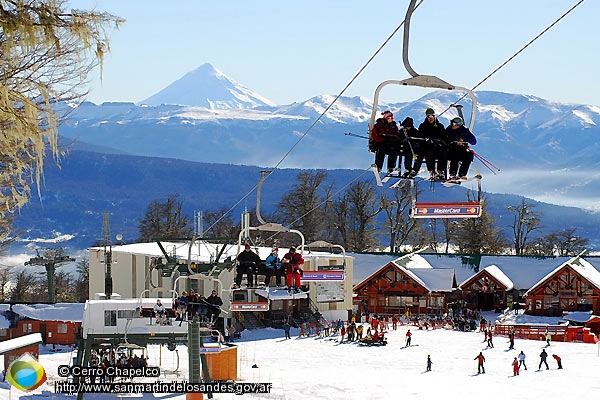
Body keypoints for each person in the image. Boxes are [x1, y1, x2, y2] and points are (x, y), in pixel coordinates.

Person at [416, 107, 447, 181]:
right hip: (427, 146)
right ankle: (432, 171)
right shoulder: (423, 126)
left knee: (443, 152)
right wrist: (426, 140)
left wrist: (440, 141)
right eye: (428, 117)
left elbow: (444, 136)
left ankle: (440, 171)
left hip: (438, 146)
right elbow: (420, 136)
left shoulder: (439, 126)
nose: (430, 118)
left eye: (432, 116)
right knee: (429, 153)